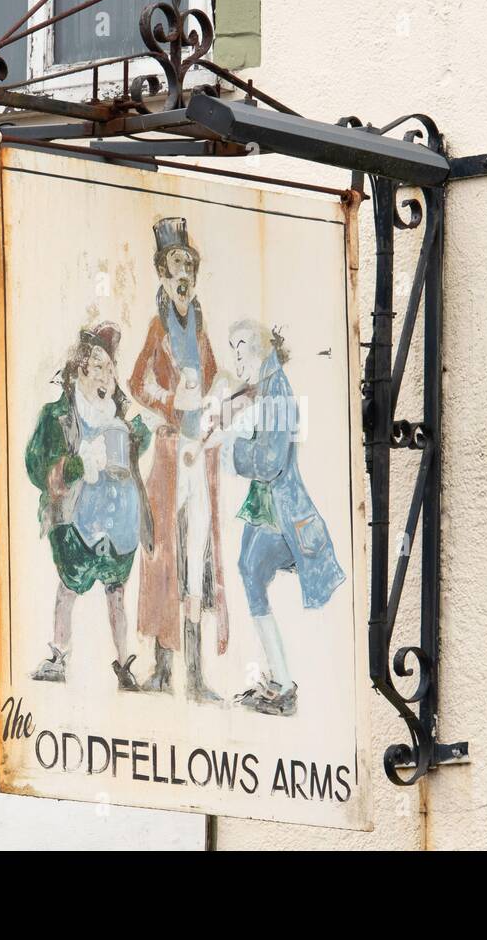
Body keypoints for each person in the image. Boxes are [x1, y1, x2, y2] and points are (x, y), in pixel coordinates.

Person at [128, 217, 229, 703]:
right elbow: (136, 382)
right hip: (169, 452)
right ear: (162, 276)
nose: (182, 275)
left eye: (187, 265)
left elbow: (211, 378)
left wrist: (213, 404)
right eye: (174, 267)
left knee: (198, 564)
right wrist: (170, 400)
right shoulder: (157, 326)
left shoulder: (201, 326)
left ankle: (196, 674)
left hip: (197, 455)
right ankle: (164, 671)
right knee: (164, 557)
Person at [226, 320, 345, 716]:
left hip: (279, 510)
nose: (236, 358)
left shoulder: (276, 390)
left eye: (239, 349)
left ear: (256, 348)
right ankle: (280, 682)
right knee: (249, 571)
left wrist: (234, 451)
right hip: (267, 506)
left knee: (251, 571)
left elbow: (272, 460)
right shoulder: (266, 387)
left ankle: (283, 685)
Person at [26, 322, 152, 691]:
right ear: (80, 370)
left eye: (110, 368)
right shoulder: (58, 416)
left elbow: (131, 457)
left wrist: (138, 436)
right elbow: (37, 466)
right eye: (97, 366)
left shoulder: (119, 417)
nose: (106, 375)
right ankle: (58, 655)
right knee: (68, 588)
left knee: (117, 596)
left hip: (119, 529)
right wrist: (77, 464)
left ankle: (124, 662)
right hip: (76, 524)